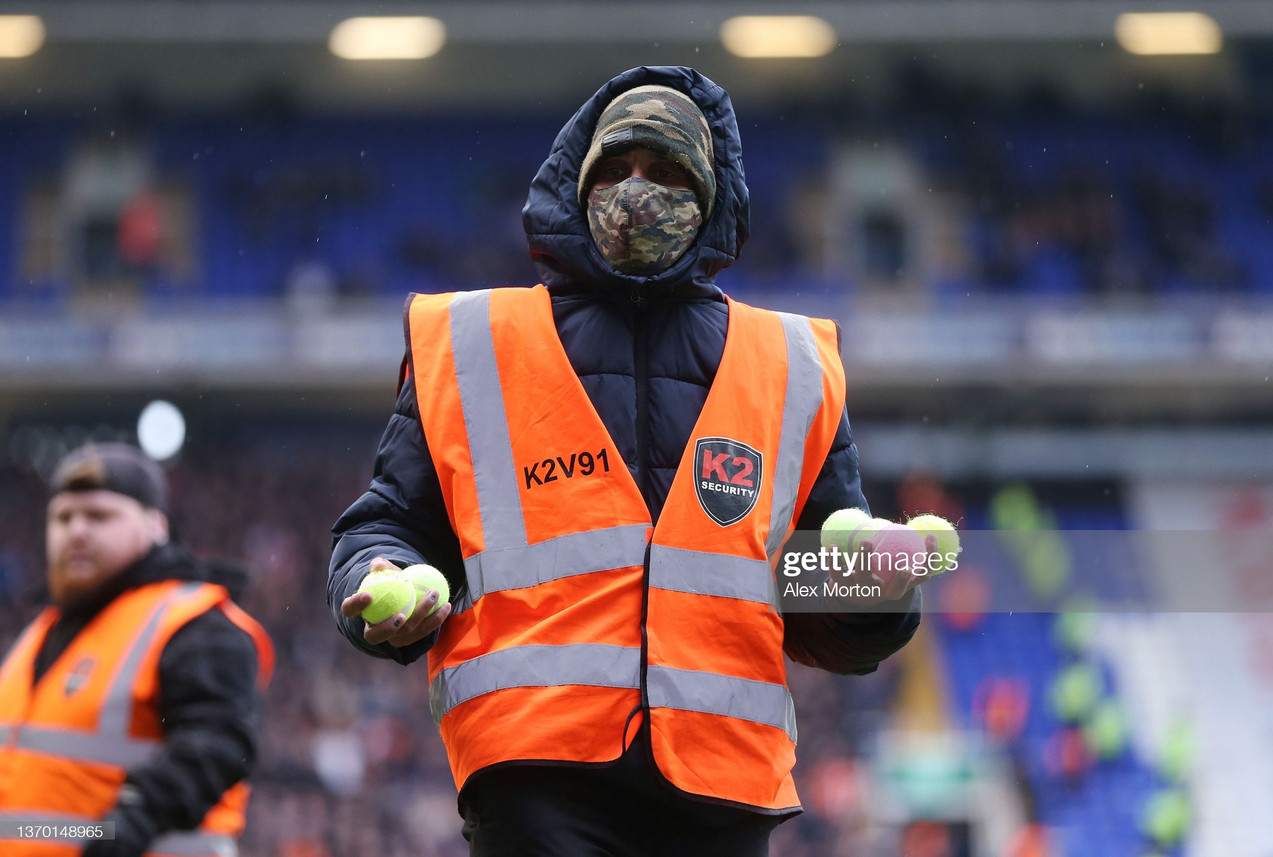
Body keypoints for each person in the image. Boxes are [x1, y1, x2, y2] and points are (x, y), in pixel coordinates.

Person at [329, 66, 927, 855]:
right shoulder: (473, 343)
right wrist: (378, 579)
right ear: (574, 188)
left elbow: (807, 590)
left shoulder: (792, 364)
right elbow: (390, 525)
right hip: (535, 767)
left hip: (722, 785)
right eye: (615, 168)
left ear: (710, 198)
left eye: (667, 171)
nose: (636, 190)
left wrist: (872, 591)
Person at [0, 443, 274, 857]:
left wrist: (127, 826)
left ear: (155, 526)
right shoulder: (40, 632)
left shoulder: (192, 622)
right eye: (62, 517)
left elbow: (219, 745)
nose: (76, 530)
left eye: (99, 516)